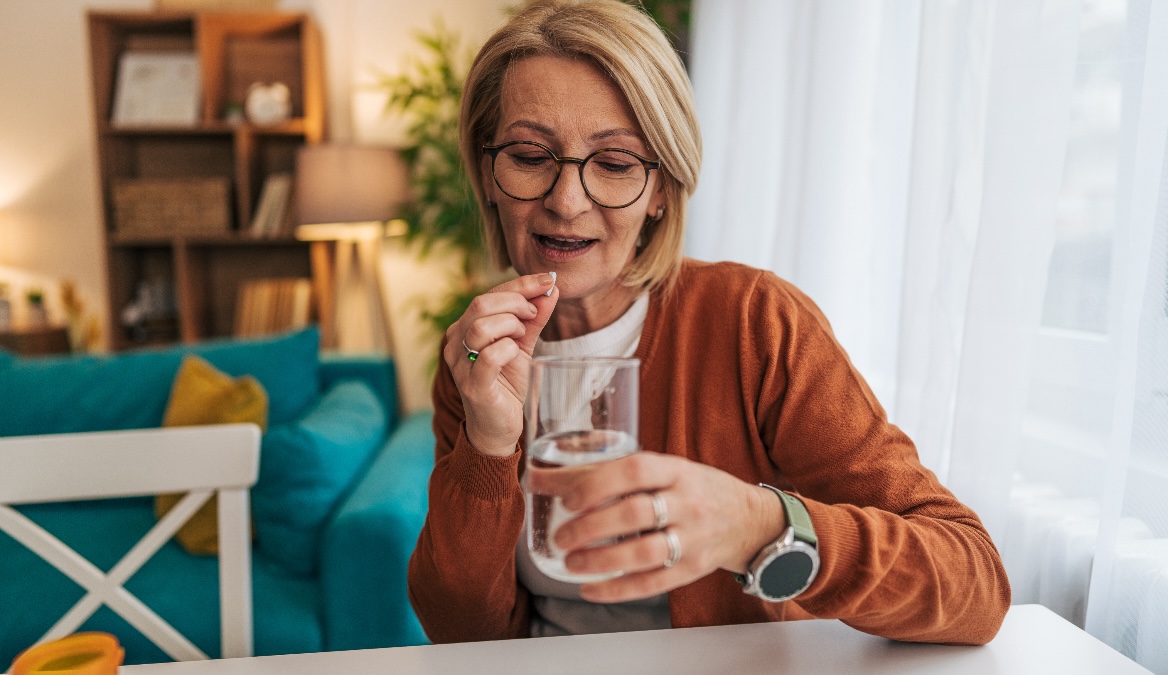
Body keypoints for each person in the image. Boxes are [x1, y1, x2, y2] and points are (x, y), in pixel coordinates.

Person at [408, 0, 1010, 645]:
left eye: (615, 164)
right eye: (530, 155)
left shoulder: (754, 323)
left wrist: (756, 525)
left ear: (663, 189)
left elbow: (973, 583)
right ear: (489, 174)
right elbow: (459, 632)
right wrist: (487, 446)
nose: (566, 199)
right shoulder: (481, 357)